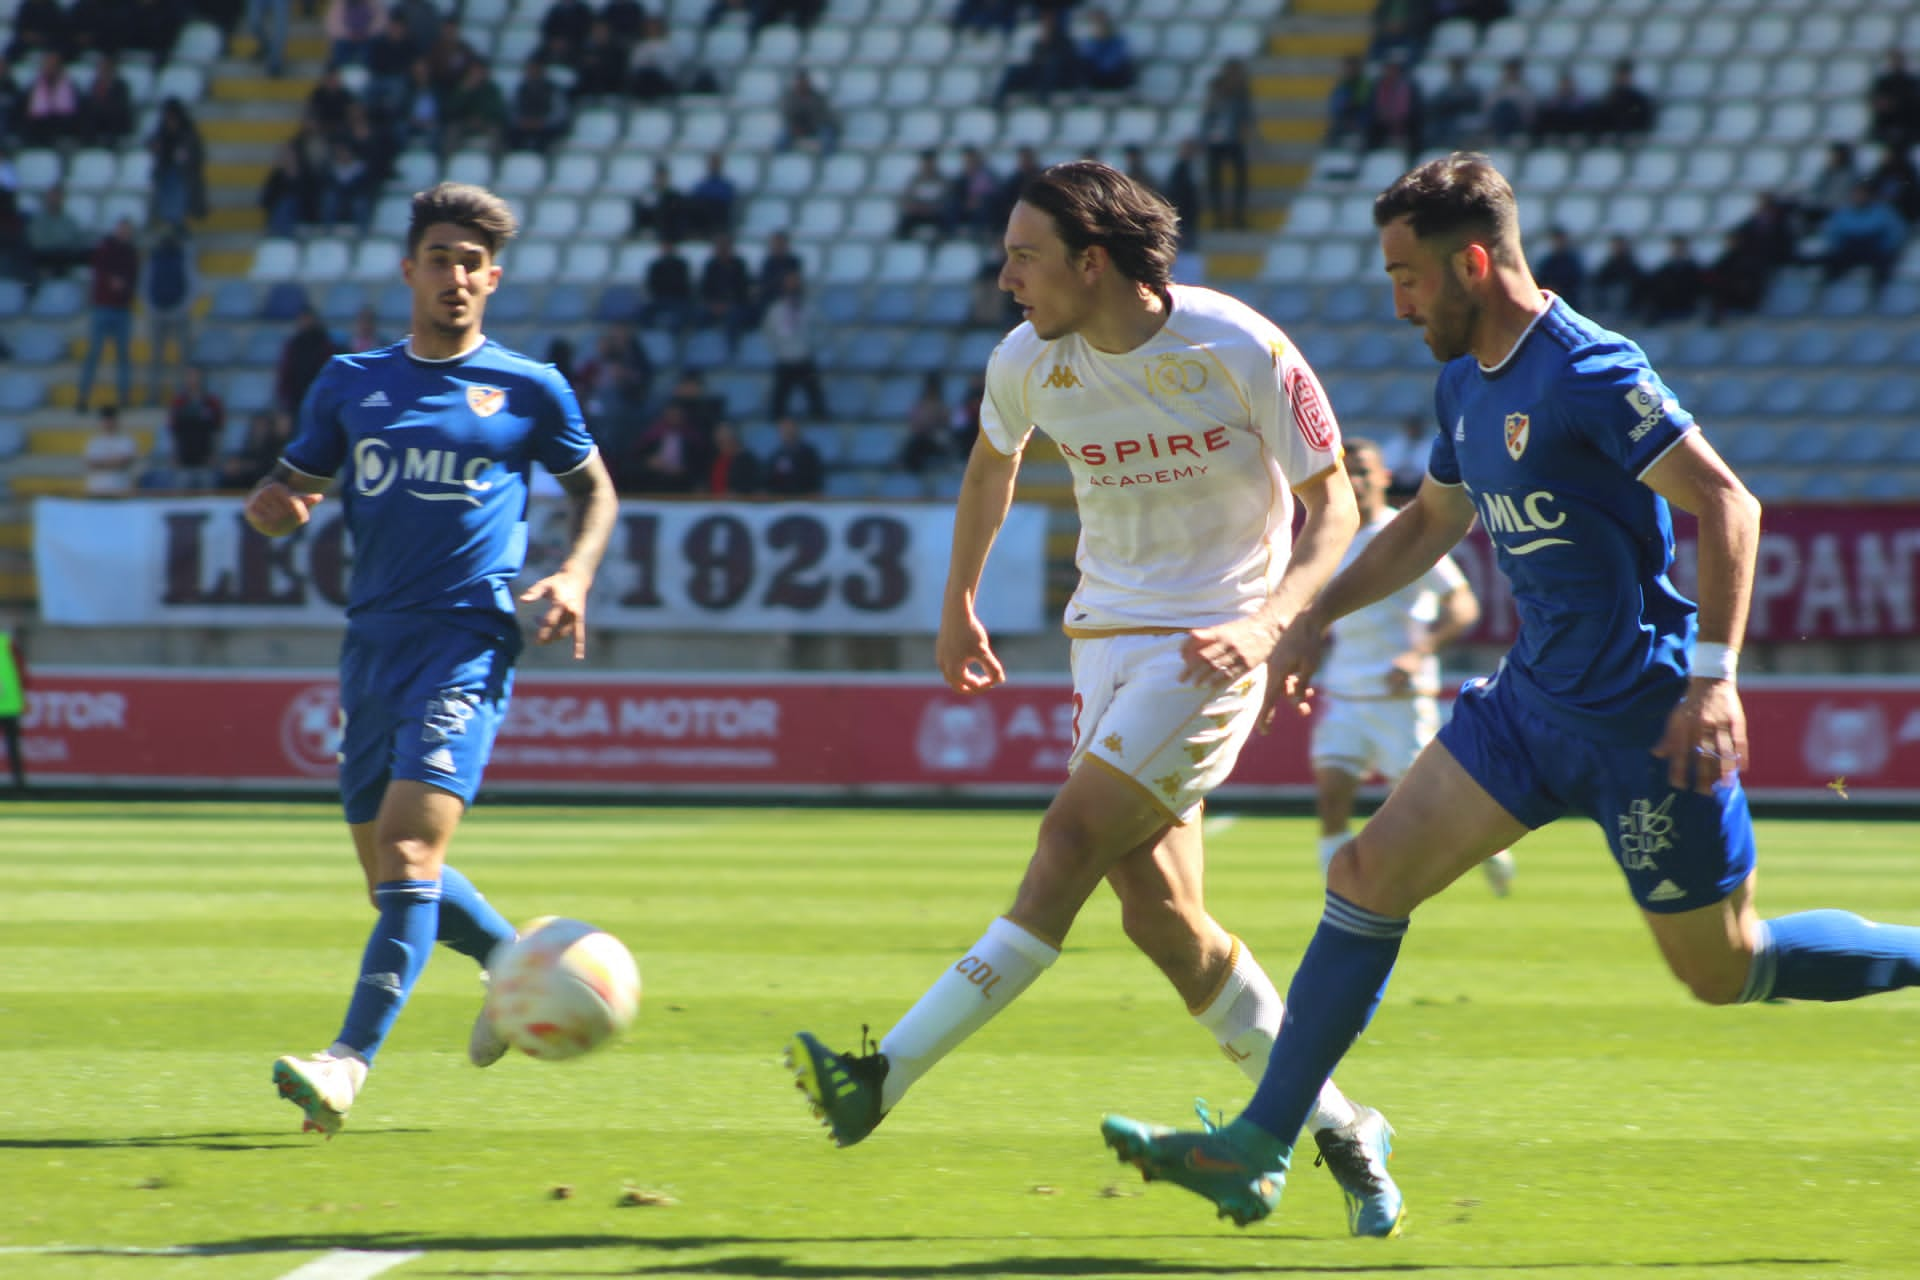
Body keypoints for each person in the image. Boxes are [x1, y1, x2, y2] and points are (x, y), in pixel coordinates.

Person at [1099, 150, 1920, 1230]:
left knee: (1724, 967)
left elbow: (1732, 505)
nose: (1396, 302)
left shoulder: (1587, 369)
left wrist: (1715, 681)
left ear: (1473, 262)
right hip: (1531, 709)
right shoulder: (1463, 381)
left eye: (1406, 275)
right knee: (1364, 871)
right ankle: (1261, 1141)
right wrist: (1308, 616)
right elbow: (1431, 521)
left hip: (1646, 722)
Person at [788, 160, 1406, 1239]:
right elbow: (992, 469)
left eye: (1024, 255)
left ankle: (879, 1074)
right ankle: (1343, 1133)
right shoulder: (1026, 359)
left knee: (1067, 840)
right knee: (1165, 921)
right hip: (1104, 644)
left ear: (1091, 260)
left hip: (1210, 644)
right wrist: (957, 605)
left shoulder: (1236, 342)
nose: (1006, 277)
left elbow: (1335, 505)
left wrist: (1274, 623)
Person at [248, 182, 618, 1138]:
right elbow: (299, 482)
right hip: (371, 643)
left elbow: (598, 495)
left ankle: (346, 1063)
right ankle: (512, 970)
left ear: (491, 278)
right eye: (440, 258)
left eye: (471, 262)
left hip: (467, 637)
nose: (455, 275)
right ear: (409, 269)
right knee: (387, 879)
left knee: (413, 853)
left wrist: (573, 575)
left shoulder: (530, 387)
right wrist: (278, 504)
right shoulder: (348, 381)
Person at [1307, 437, 1513, 895]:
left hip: (1399, 694)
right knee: (1331, 794)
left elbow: (1462, 605)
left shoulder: (1403, 535)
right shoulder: (1332, 540)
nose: (1356, 481)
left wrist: (1418, 653)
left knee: (1430, 808)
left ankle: (1492, 851)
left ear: (1383, 477)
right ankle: (1335, 891)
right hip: (1344, 690)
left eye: (1364, 471)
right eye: (1348, 471)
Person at [77, 217, 138, 413]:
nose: (124, 233)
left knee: (123, 355)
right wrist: (112, 282)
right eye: (122, 229)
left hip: (122, 309)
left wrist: (124, 287)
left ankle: (124, 396)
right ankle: (83, 397)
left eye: (127, 230)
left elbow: (133, 278)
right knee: (94, 352)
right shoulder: (104, 248)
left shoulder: (131, 253)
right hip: (103, 307)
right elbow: (99, 272)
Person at [84, 402, 139, 495]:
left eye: (110, 419)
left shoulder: (127, 441)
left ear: (116, 420)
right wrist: (114, 462)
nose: (108, 423)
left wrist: (101, 463)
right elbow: (91, 464)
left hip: (120, 489)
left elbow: (124, 462)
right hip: (97, 490)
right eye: (105, 419)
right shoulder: (93, 442)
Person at [0, 621, 24, 790]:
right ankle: (19, 785)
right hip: (11, 705)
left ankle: (19, 783)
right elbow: (23, 674)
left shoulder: (8, 646)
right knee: (14, 747)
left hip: (10, 705)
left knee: (14, 747)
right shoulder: (9, 646)